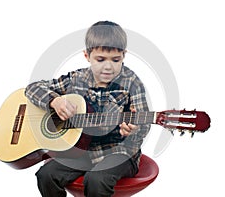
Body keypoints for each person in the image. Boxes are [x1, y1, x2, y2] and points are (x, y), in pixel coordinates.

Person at [25, 21, 151, 197]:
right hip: (80, 150)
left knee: (96, 180)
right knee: (46, 175)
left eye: (116, 60)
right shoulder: (77, 78)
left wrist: (133, 130)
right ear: (87, 56)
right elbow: (32, 88)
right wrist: (54, 101)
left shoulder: (132, 83)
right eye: (100, 59)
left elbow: (144, 125)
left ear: (124, 55)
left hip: (119, 152)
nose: (108, 66)